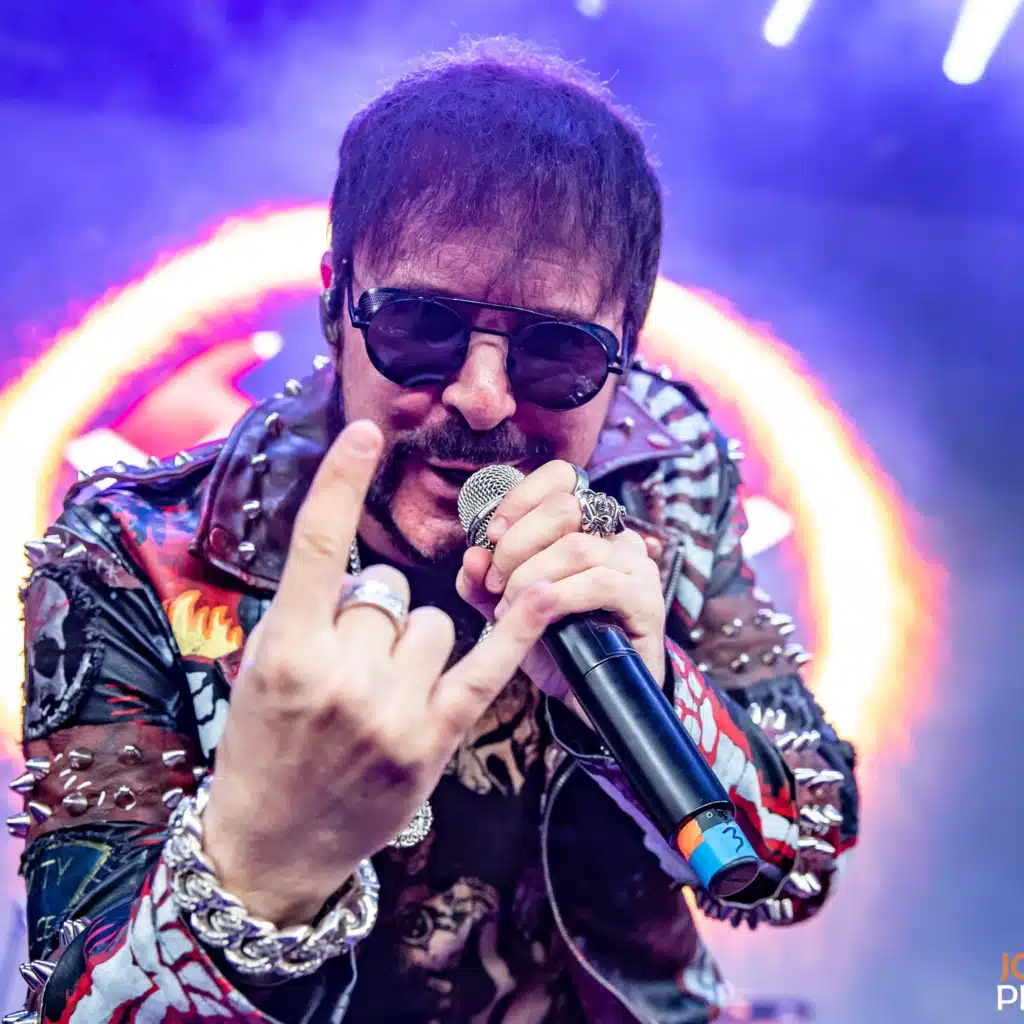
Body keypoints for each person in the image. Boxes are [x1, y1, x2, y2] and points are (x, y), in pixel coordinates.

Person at [7, 37, 858, 1024]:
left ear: (624, 347)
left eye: (556, 349)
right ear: (337, 304)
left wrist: (659, 688)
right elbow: (71, 1001)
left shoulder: (665, 471)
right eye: (422, 327)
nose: (482, 397)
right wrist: (260, 867)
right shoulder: (140, 555)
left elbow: (799, 858)